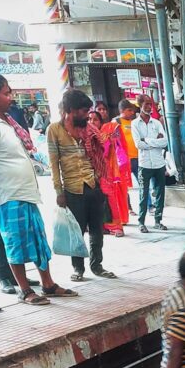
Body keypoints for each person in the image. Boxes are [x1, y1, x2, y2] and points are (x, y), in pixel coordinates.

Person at [0, 73, 77, 304]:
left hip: (27, 193)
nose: (11, 97)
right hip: (8, 195)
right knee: (15, 243)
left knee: (38, 241)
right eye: (6, 93)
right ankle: (25, 290)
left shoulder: (8, 122)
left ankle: (48, 284)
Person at [48, 88, 117, 282]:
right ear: (71, 110)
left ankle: (97, 265)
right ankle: (78, 268)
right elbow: (54, 164)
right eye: (84, 111)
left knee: (97, 230)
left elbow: (99, 155)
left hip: (93, 185)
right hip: (72, 188)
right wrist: (58, 191)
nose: (87, 115)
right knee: (76, 232)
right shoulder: (54, 130)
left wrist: (100, 180)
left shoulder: (89, 129)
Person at [131, 94, 168, 233]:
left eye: (150, 104)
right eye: (146, 104)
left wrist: (146, 140)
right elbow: (138, 144)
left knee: (160, 193)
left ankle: (158, 220)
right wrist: (155, 141)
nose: (149, 107)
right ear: (140, 105)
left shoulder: (157, 123)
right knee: (143, 193)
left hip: (159, 163)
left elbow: (164, 142)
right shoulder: (135, 124)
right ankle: (141, 222)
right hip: (144, 164)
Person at [93, 107, 130, 238]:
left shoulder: (110, 129)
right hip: (90, 172)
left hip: (108, 171)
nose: (92, 122)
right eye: (89, 119)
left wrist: (111, 139)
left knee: (110, 198)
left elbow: (117, 145)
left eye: (95, 119)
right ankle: (101, 226)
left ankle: (116, 226)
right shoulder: (85, 133)